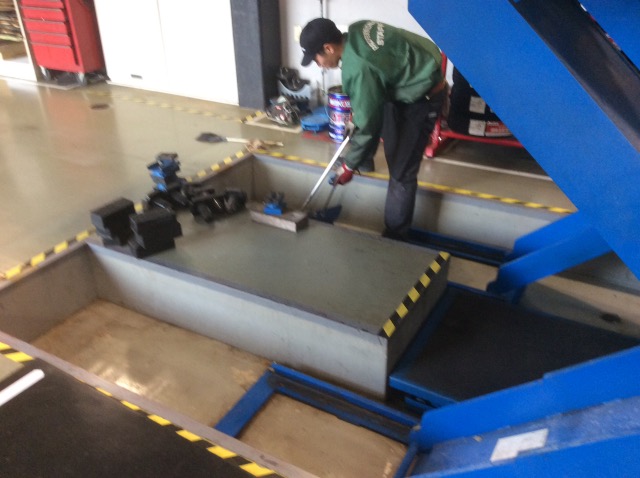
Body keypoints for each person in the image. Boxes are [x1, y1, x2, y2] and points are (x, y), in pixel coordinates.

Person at [300, 18, 447, 241]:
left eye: (316, 59)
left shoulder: (359, 67)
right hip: (401, 88)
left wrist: (349, 165)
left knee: (401, 171)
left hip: (423, 96)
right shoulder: (357, 29)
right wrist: (359, 113)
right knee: (373, 127)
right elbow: (371, 95)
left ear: (328, 48)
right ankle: (363, 160)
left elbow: (369, 124)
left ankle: (395, 237)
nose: (319, 65)